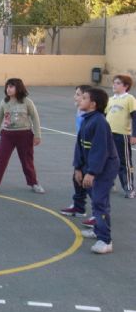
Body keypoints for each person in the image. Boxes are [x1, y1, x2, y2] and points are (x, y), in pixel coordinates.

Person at [0, 78, 45, 194]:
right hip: (7, 135)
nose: (8, 89)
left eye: (11, 86)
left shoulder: (27, 102)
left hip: (24, 135)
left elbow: (35, 117)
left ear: (18, 88)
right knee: (0, 160)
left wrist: (37, 135)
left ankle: (34, 183)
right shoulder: (4, 102)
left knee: (27, 161)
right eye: (7, 86)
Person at [75, 87, 119, 254]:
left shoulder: (100, 122)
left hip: (104, 168)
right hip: (91, 166)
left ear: (93, 104)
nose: (80, 99)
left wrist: (92, 172)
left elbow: (100, 150)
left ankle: (105, 240)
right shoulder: (87, 119)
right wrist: (78, 167)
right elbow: (79, 146)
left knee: (100, 202)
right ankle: (98, 230)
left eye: (84, 97)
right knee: (97, 199)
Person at [60, 85, 92, 218]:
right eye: (76, 94)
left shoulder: (95, 116)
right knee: (77, 178)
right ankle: (79, 207)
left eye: (79, 95)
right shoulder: (80, 110)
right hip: (81, 147)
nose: (76, 97)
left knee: (91, 183)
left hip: (91, 150)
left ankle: (99, 215)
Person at [105, 74, 136, 199]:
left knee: (124, 163)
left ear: (126, 86)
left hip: (122, 135)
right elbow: (104, 116)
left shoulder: (129, 99)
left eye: (117, 83)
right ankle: (108, 183)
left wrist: (134, 135)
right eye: (114, 83)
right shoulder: (110, 100)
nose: (114, 85)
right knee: (106, 160)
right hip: (108, 135)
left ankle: (129, 188)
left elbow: (135, 118)